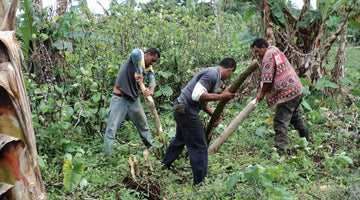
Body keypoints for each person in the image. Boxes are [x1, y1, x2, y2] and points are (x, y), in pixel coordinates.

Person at [162, 58, 237, 185]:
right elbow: (196, 95)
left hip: (179, 107)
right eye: (231, 74)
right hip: (187, 110)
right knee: (199, 146)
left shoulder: (213, 74)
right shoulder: (212, 74)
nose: (229, 77)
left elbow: (202, 101)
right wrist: (221, 97)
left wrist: (213, 115)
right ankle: (200, 182)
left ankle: (163, 165)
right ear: (230, 70)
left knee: (180, 139)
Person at [251, 38, 309, 155]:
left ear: (263, 47)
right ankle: (306, 141)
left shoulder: (267, 56)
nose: (257, 54)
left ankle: (281, 153)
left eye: (257, 51)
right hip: (296, 88)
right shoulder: (274, 50)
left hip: (287, 93)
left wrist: (261, 93)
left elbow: (267, 79)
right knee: (295, 116)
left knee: (280, 122)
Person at [103, 47, 161, 156]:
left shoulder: (149, 67)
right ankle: (107, 158)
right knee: (111, 129)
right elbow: (135, 52)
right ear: (147, 54)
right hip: (120, 98)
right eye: (152, 60)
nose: (152, 63)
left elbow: (152, 78)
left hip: (133, 100)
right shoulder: (138, 56)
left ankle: (152, 150)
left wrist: (151, 90)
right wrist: (139, 71)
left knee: (144, 125)